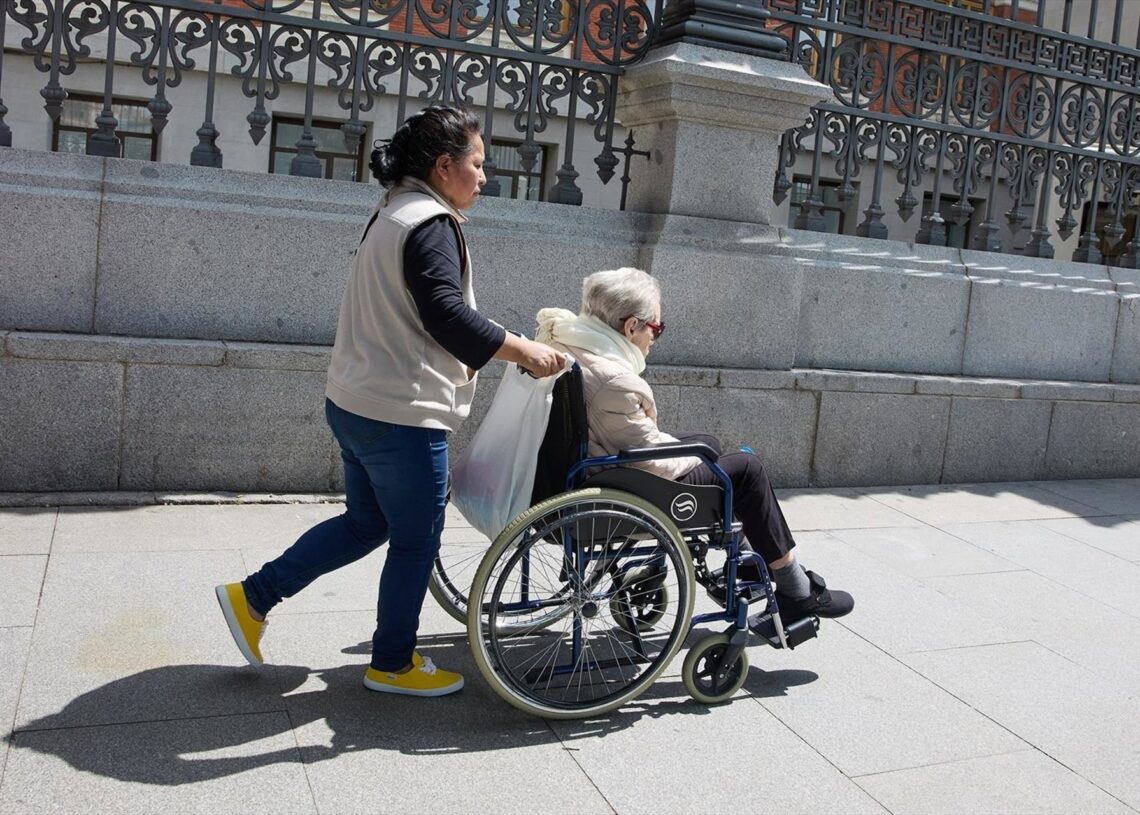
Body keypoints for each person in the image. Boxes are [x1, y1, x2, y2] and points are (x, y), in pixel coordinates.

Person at [215, 106, 565, 697]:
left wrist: (505, 336)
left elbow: (426, 310)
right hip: (401, 414)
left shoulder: (394, 211)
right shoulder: (432, 222)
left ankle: (253, 597)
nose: (484, 178)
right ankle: (393, 664)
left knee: (366, 522)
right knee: (415, 540)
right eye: (477, 165)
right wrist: (524, 351)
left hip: (356, 402)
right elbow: (446, 317)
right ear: (444, 164)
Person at [534, 267, 853, 622]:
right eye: (656, 328)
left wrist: (699, 451)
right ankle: (796, 589)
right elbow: (652, 462)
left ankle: (750, 560)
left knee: (709, 443)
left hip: (581, 468)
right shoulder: (616, 381)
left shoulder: (566, 343)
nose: (655, 337)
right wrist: (698, 459)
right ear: (631, 327)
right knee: (746, 470)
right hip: (612, 484)